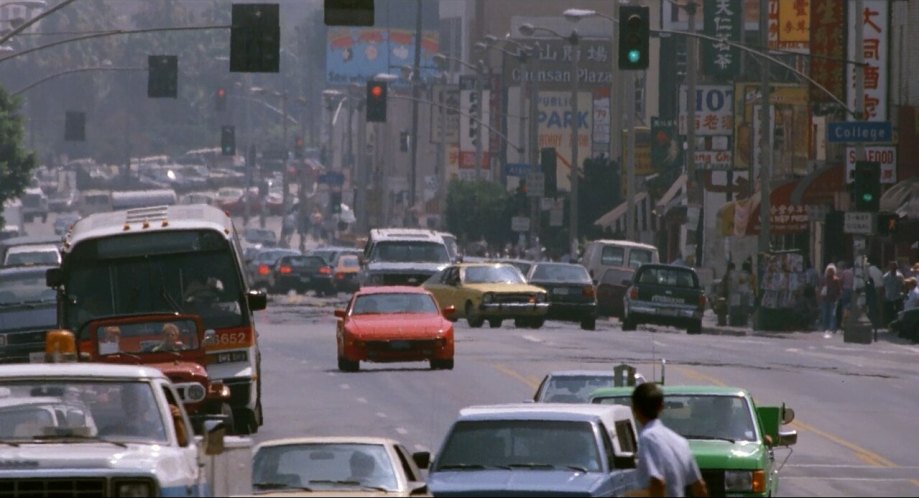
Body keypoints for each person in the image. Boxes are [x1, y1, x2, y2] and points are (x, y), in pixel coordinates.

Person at [628, 383, 708, 498]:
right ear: (661, 407)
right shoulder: (681, 442)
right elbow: (700, 488)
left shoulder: (647, 438)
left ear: (634, 409)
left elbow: (658, 483)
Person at [819, 264, 842, 334]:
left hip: (833, 299)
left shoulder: (836, 280)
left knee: (832, 314)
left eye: (831, 271)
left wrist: (838, 297)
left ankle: (831, 328)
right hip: (825, 299)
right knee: (825, 314)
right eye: (829, 271)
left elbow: (839, 289)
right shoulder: (824, 279)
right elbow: (820, 288)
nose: (830, 272)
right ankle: (825, 327)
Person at [882, 262, 905, 327]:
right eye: (892, 267)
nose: (893, 269)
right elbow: (883, 287)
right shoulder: (885, 276)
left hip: (898, 297)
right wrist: (884, 296)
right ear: (889, 268)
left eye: (895, 268)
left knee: (898, 313)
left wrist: (902, 294)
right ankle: (889, 326)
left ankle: (897, 326)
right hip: (888, 297)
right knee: (889, 313)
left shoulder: (900, 276)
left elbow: (903, 286)